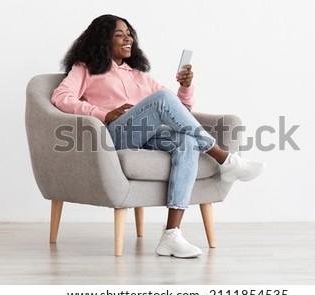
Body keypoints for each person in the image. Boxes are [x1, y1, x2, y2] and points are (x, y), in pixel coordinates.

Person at [51, 14, 265, 258]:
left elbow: (181, 114)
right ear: (102, 40)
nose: (127, 38)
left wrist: (185, 88)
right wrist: (103, 113)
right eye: (119, 34)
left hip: (146, 137)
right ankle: (225, 159)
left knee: (186, 139)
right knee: (162, 100)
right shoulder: (85, 69)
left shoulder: (139, 75)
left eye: (129, 33)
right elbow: (61, 97)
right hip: (114, 136)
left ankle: (171, 234)